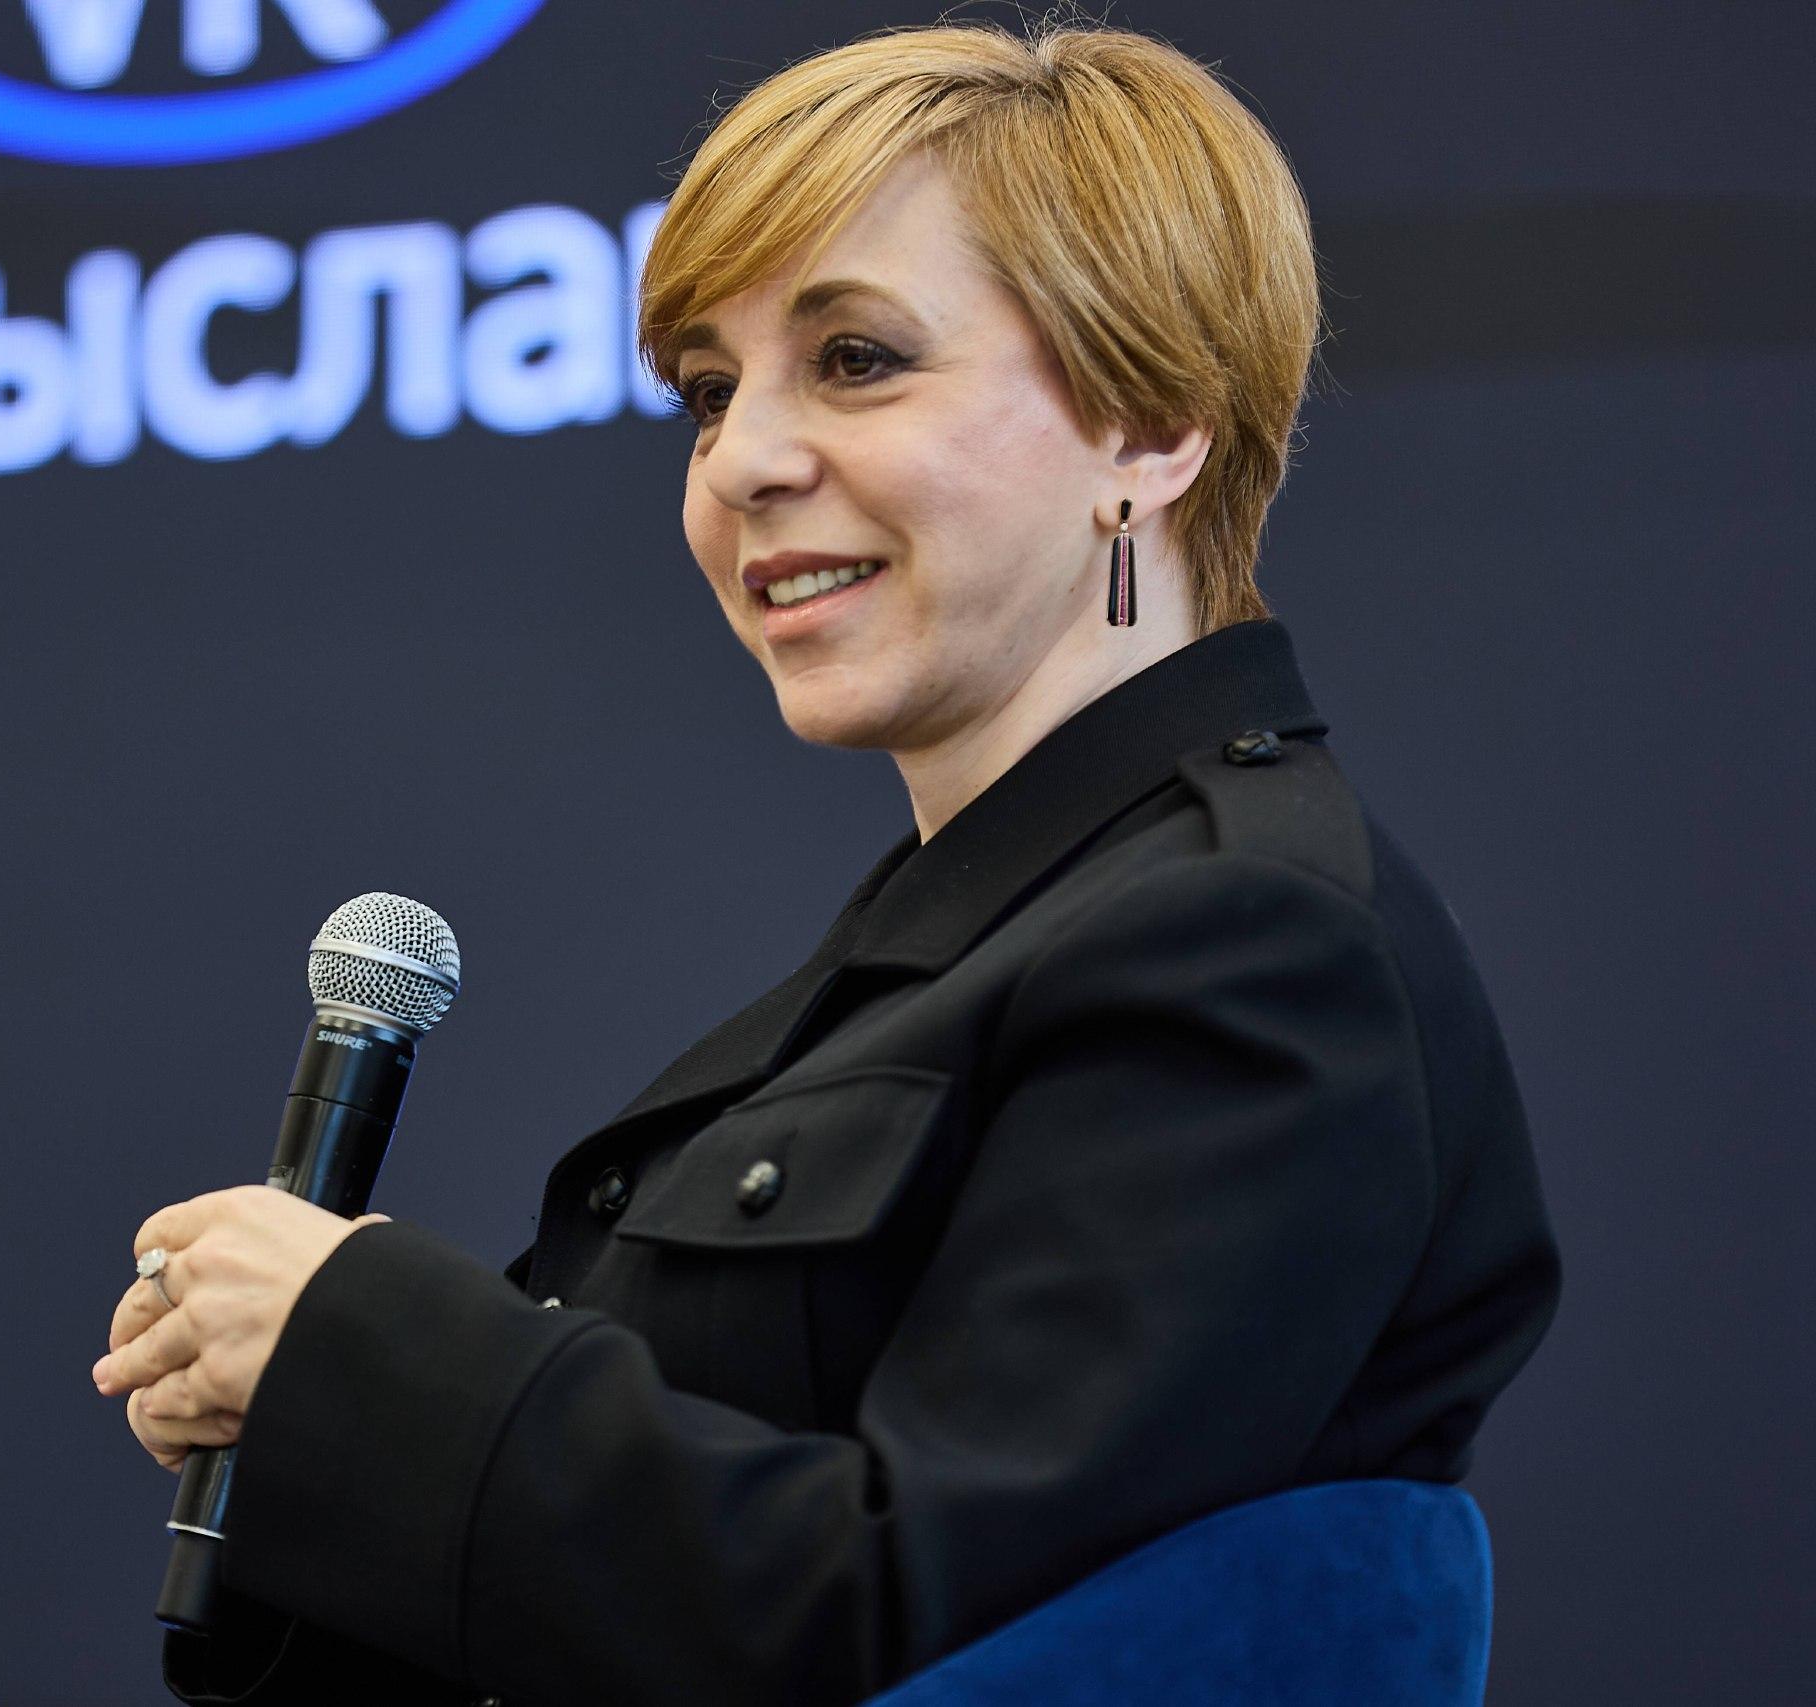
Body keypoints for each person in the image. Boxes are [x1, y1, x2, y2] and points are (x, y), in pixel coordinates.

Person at [92, 19, 1562, 1706]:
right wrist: (299, 1405)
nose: (742, 462)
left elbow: (901, 1619)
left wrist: (369, 1348)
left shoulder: (1248, 941)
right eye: (707, 393)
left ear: (1150, 427)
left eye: (855, 359)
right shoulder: (980, 940)